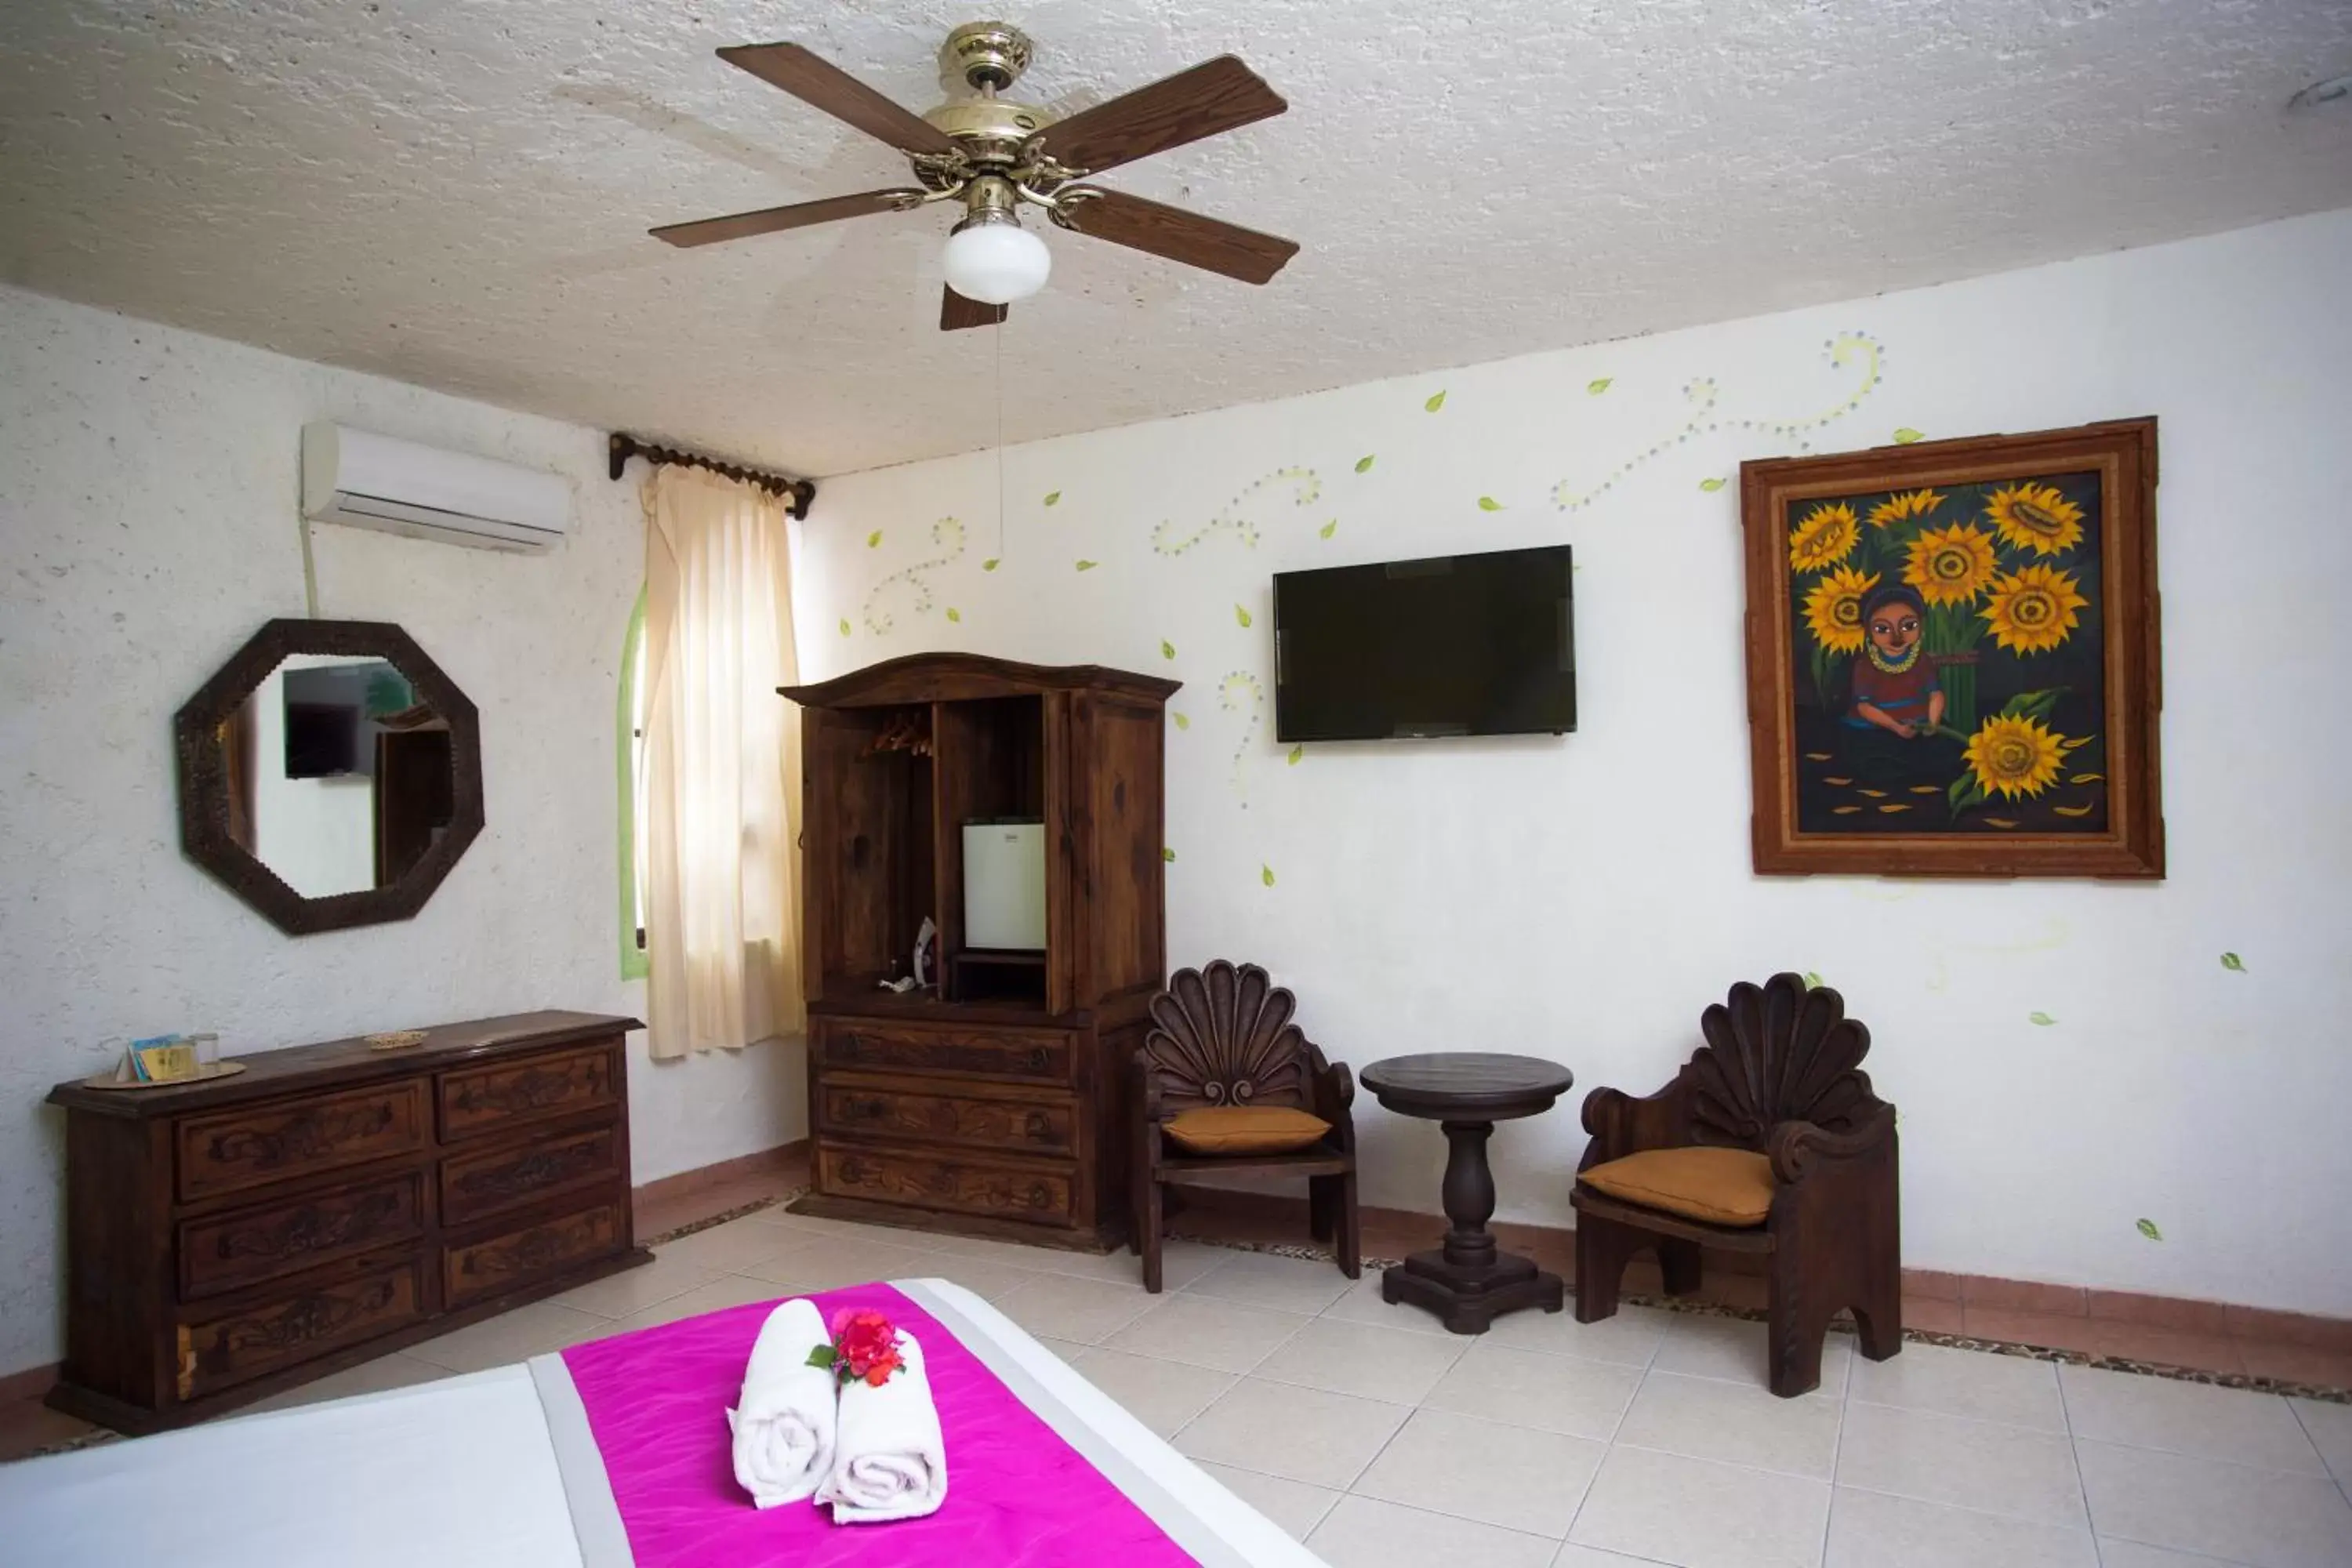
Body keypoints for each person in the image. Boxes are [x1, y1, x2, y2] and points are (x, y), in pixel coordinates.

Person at [1840, 585, 1956, 782]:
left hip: (1917, 725)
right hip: (1876, 729)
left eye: (1908, 626)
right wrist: (1896, 727)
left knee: (1946, 757)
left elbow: (1935, 694)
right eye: (1882, 629)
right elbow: (1864, 707)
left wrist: (1932, 723)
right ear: (1868, 631)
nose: (1897, 637)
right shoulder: (1866, 665)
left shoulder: (1921, 660)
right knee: (1878, 763)